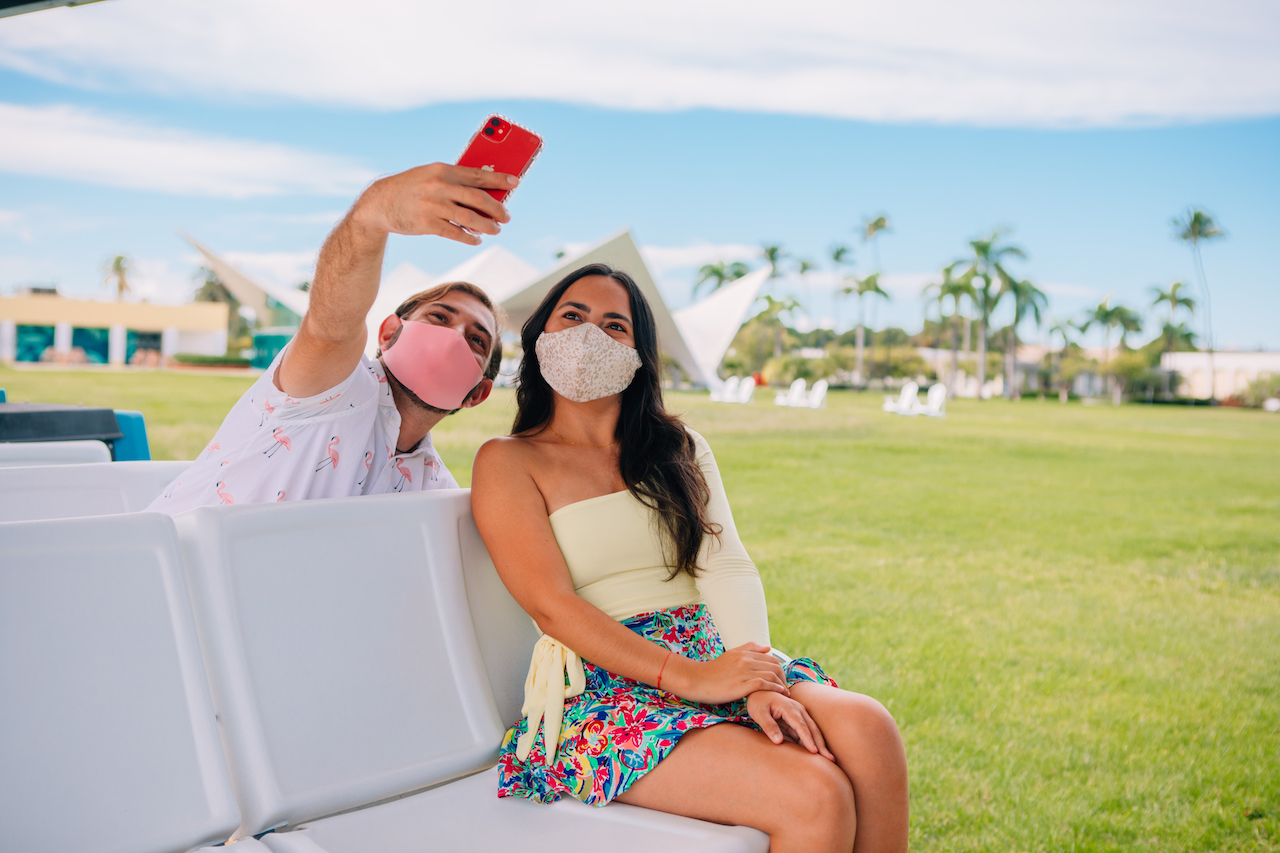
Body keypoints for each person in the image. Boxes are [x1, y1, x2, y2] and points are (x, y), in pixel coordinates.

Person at [471, 263, 910, 853]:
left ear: (639, 355)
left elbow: (725, 565)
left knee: (870, 729)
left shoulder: (678, 447)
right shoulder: (507, 461)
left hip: (712, 650)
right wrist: (694, 680)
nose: (587, 335)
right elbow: (552, 607)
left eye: (614, 325)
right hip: (606, 685)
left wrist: (753, 677)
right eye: (571, 316)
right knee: (815, 794)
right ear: (541, 335)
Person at [149, 163, 519, 513]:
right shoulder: (332, 388)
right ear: (390, 333)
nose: (454, 337)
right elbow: (330, 328)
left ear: (478, 394)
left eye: (476, 341)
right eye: (438, 317)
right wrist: (372, 215)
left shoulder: (438, 492)